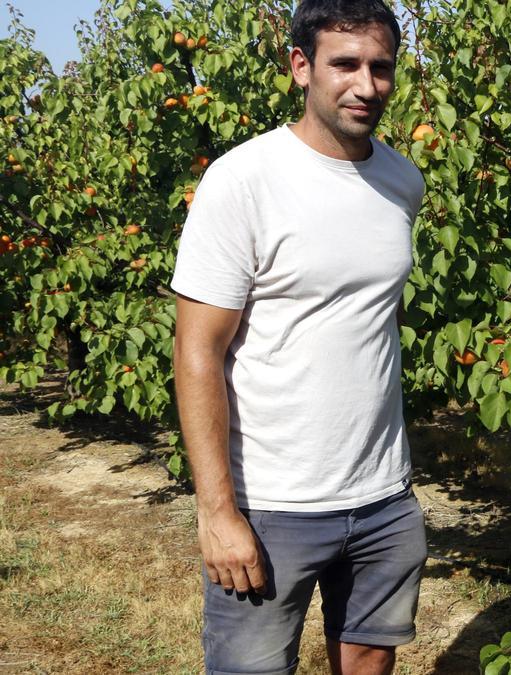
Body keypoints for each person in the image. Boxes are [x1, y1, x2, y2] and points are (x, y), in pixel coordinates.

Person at [171, 1, 426, 673]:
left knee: (370, 659)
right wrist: (218, 512)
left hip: (383, 497)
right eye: (345, 64)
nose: (365, 86)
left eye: (381, 68)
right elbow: (198, 352)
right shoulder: (242, 182)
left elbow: (372, 316)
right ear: (300, 67)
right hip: (273, 504)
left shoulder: (402, 181)